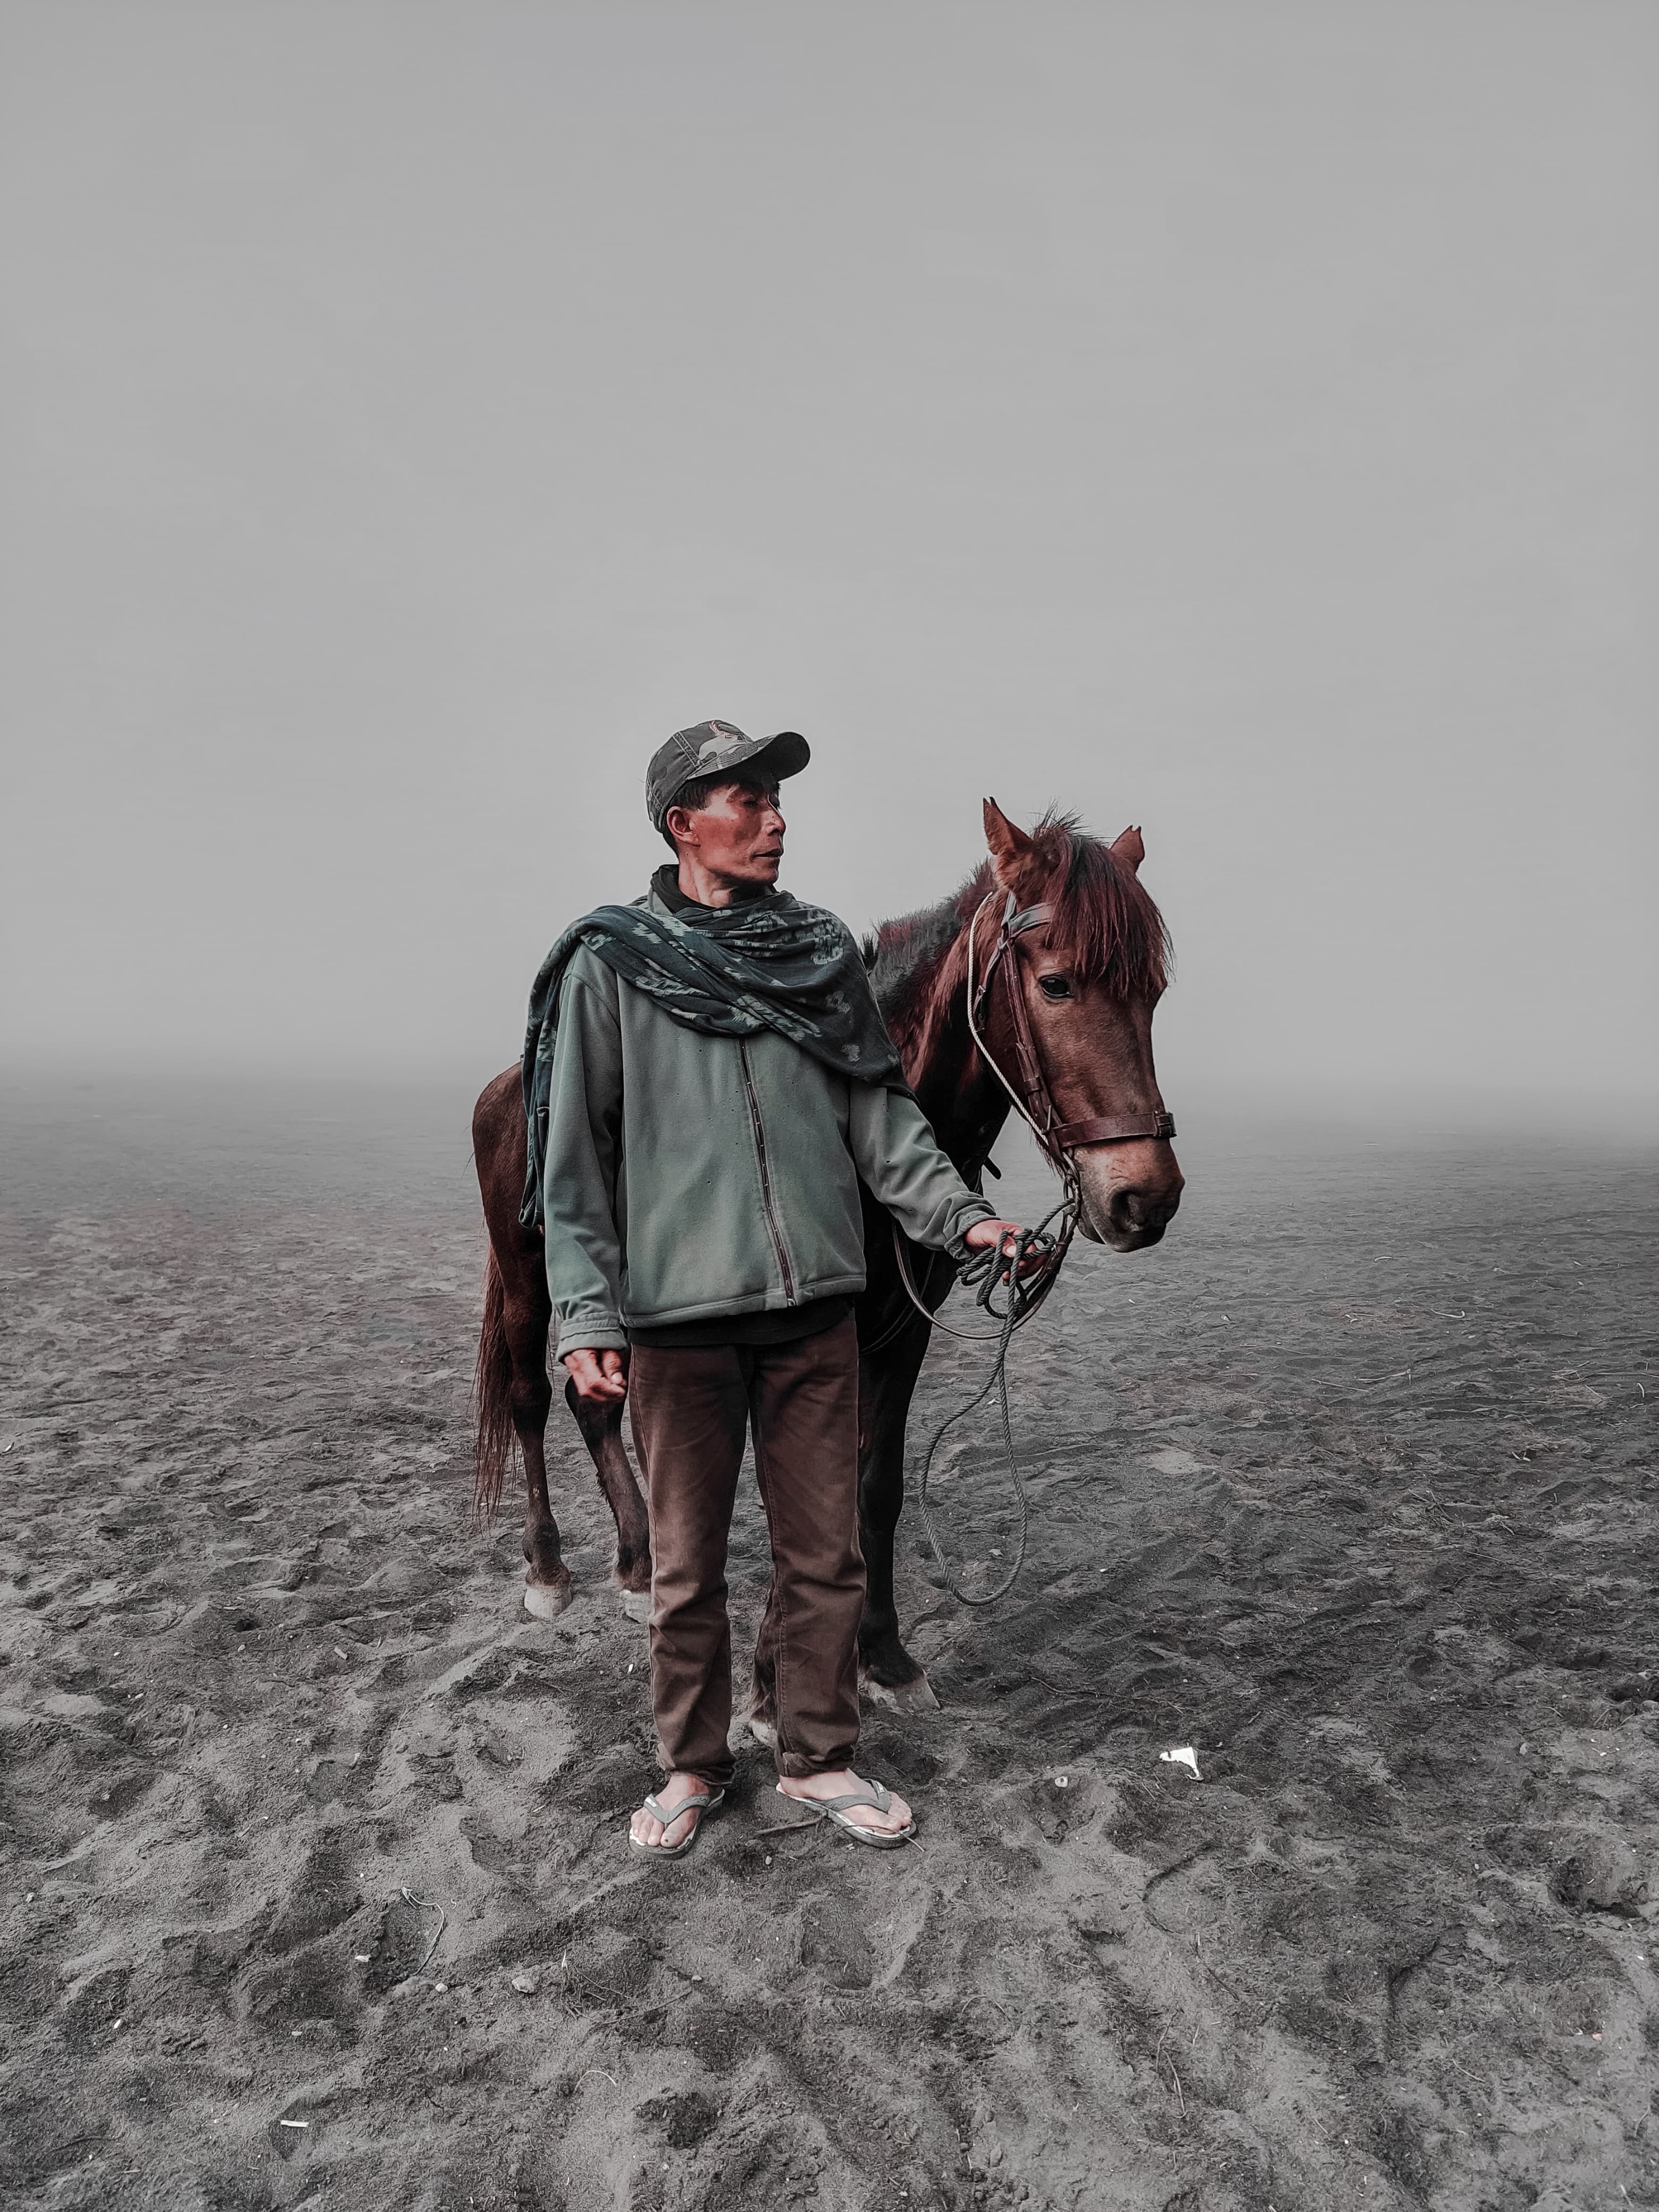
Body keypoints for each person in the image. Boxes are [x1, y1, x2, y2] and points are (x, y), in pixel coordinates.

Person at [528, 720, 1029, 1857]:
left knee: (826, 1557)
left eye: (777, 799)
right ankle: (691, 1766)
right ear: (682, 823)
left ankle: (818, 1758)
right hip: (677, 1323)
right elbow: (576, 1163)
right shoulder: (610, 963)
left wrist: (965, 1217)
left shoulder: (819, 952)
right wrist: (587, 1315)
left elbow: (879, 1117)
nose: (775, 819)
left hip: (816, 1315)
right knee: (687, 1567)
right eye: (747, 800)